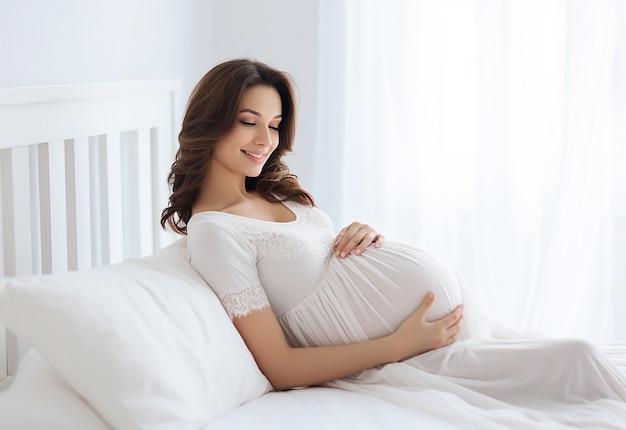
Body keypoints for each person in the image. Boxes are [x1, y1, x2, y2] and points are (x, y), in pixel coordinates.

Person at [161, 59, 626, 429]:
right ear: (212, 123)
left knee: (582, 360)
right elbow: (279, 366)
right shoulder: (214, 233)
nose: (266, 140)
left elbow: (323, 259)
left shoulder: (273, 192)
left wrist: (366, 233)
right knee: (579, 360)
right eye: (249, 121)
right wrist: (399, 344)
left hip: (447, 329)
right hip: (412, 352)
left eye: (276, 124)